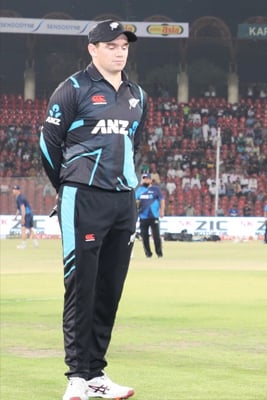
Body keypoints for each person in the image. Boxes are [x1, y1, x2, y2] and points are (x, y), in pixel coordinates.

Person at [39, 20, 146, 400]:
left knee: (109, 289)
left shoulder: (137, 95)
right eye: (111, 45)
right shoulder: (72, 89)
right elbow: (48, 143)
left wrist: (128, 186)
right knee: (81, 287)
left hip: (122, 202)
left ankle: (97, 374)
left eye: (124, 45)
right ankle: (76, 378)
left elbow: (134, 144)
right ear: (93, 49)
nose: (119, 51)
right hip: (82, 197)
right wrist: (67, 185)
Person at [135, 173, 165, 258]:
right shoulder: (139, 190)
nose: (145, 180)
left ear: (150, 180)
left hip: (154, 216)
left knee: (156, 236)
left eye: (147, 179)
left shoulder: (155, 189)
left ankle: (159, 253)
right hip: (143, 216)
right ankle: (148, 254)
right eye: (144, 179)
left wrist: (162, 210)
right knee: (144, 236)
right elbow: (135, 201)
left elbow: (161, 200)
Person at [12, 184, 39, 249]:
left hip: (26, 215)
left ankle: (23, 245)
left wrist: (23, 218)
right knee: (30, 229)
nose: (13, 191)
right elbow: (19, 208)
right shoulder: (19, 197)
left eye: (15, 189)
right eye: (13, 189)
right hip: (30, 214)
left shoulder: (20, 198)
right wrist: (15, 216)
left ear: (18, 190)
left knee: (23, 229)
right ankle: (36, 243)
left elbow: (22, 208)